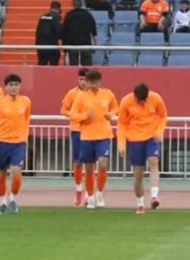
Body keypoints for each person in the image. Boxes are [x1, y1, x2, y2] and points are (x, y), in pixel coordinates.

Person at [70, 69, 119, 209]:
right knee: (89, 168)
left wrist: (111, 114)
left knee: (103, 163)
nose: (94, 85)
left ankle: (100, 193)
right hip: (87, 136)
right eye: (91, 82)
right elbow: (73, 115)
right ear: (87, 82)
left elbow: (116, 107)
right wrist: (85, 116)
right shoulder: (81, 97)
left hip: (104, 135)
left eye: (96, 82)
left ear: (100, 82)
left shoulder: (107, 94)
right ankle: (90, 196)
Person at [118, 83, 167, 214]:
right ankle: (140, 203)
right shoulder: (126, 102)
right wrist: (121, 143)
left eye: (145, 100)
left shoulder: (156, 98)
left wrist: (159, 131)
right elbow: (121, 123)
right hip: (134, 139)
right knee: (138, 173)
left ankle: (154, 196)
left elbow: (163, 116)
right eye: (140, 100)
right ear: (135, 96)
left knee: (153, 161)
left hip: (151, 137)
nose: (143, 102)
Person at [0, 74, 32, 215]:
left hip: (18, 143)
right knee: (1, 173)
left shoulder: (25, 101)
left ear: (20, 86)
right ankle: (2, 201)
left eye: (16, 85)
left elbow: (27, 119)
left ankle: (12, 197)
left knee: (16, 172)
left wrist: (25, 137)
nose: (14, 88)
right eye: (11, 85)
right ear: (6, 87)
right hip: (2, 142)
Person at [60, 67, 89, 207]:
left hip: (91, 131)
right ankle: (78, 190)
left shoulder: (94, 94)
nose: (83, 82)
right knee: (77, 162)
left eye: (85, 79)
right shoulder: (72, 93)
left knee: (90, 162)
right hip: (77, 130)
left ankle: (89, 193)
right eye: (81, 79)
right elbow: (63, 110)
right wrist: (76, 116)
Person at [62, 0, 97, 66]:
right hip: (85, 44)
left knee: (73, 66)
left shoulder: (69, 15)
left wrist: (64, 46)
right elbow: (93, 29)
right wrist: (95, 43)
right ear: (81, 4)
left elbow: (64, 31)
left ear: (73, 4)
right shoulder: (87, 14)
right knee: (87, 66)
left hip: (72, 45)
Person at [35, 1, 62, 66]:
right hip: (52, 45)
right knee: (53, 66)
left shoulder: (42, 17)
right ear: (58, 9)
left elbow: (38, 30)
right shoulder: (56, 17)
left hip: (41, 45)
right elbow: (59, 31)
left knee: (42, 64)